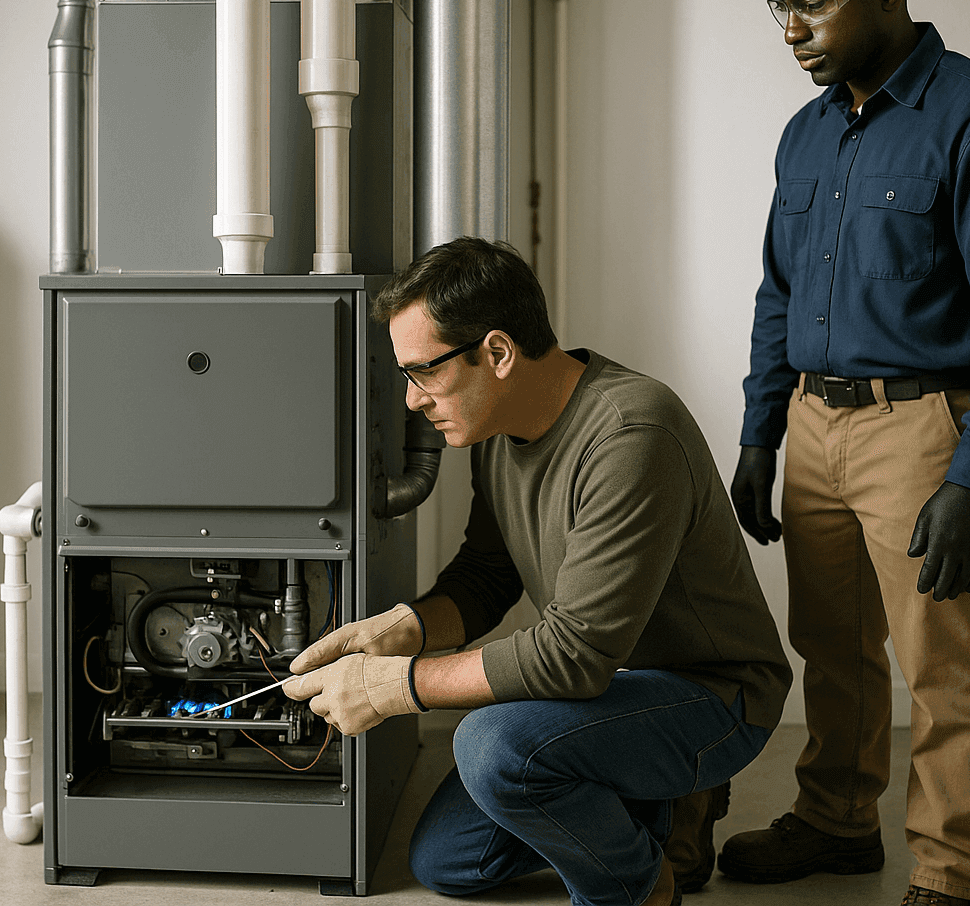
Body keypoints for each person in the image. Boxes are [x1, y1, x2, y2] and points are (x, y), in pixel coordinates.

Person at [722, 0, 970, 906]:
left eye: (813, 3)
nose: (791, 29)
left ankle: (956, 877)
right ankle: (836, 818)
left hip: (925, 430)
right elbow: (777, 292)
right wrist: (760, 432)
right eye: (777, 8)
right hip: (817, 427)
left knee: (949, 669)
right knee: (831, 647)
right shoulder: (805, 136)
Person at [283, 237, 792, 906]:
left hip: (710, 693)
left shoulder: (632, 434)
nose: (411, 400)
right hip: (603, 689)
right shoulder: (494, 430)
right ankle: (655, 804)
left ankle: (645, 887)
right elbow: (488, 575)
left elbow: (573, 658)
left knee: (495, 748)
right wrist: (402, 630)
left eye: (422, 371)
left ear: (497, 352)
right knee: (448, 861)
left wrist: (392, 688)